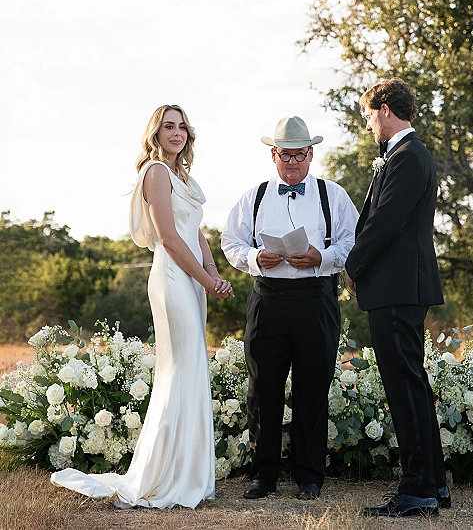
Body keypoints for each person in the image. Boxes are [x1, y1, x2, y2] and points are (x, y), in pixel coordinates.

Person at [52, 104, 233, 509]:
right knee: (179, 368)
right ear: (155, 132)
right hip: (172, 278)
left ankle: (187, 471)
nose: (177, 132)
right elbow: (169, 237)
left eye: (182, 126)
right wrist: (207, 280)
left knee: (192, 368)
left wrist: (211, 268)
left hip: (193, 278)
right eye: (168, 126)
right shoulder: (155, 172)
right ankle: (163, 475)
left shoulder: (182, 175)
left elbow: (195, 230)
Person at [222, 116, 358, 500]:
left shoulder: (333, 195)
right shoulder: (256, 196)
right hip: (268, 300)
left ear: (311, 154)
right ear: (273, 155)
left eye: (300, 154)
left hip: (316, 300)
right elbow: (229, 240)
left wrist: (323, 257)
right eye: (286, 154)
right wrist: (253, 257)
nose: (293, 161)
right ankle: (263, 475)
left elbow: (353, 241)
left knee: (313, 388)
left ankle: (309, 475)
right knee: (263, 388)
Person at [344, 79, 448, 519]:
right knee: (412, 384)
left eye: (368, 115)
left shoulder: (407, 157)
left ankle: (416, 488)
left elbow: (384, 222)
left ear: (384, 109)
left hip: (397, 287)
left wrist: (352, 266)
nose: (368, 125)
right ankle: (433, 483)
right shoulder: (407, 156)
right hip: (400, 287)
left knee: (404, 386)